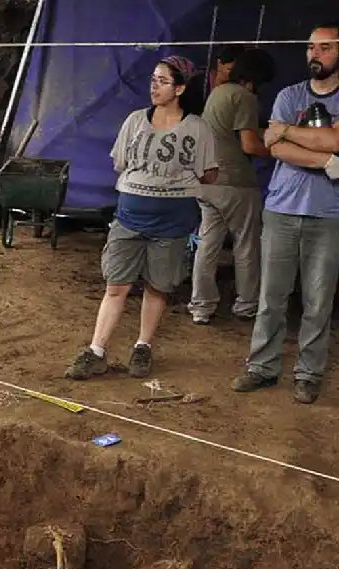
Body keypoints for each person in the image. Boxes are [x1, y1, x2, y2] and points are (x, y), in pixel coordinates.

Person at [66, 57, 218, 380]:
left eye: (163, 81)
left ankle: (143, 346)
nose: (154, 86)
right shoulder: (135, 121)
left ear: (179, 88)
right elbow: (120, 163)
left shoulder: (197, 128)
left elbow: (209, 173)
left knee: (157, 285)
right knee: (116, 284)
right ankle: (96, 351)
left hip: (172, 222)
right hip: (130, 217)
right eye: (153, 79)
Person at [233, 23, 339, 405]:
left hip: (329, 214)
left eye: (325, 48)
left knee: (318, 300)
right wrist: (328, 160)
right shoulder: (289, 94)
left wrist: (288, 132)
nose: (315, 54)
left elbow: (334, 138)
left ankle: (308, 374)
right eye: (311, 48)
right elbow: (272, 147)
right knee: (271, 296)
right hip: (280, 208)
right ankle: (262, 367)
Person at [189, 48, 276, 325]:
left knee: (208, 244)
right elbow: (249, 144)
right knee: (247, 245)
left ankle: (201, 306)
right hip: (235, 183)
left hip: (206, 181)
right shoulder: (245, 98)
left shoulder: (219, 91)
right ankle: (247, 305)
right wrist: (280, 151)